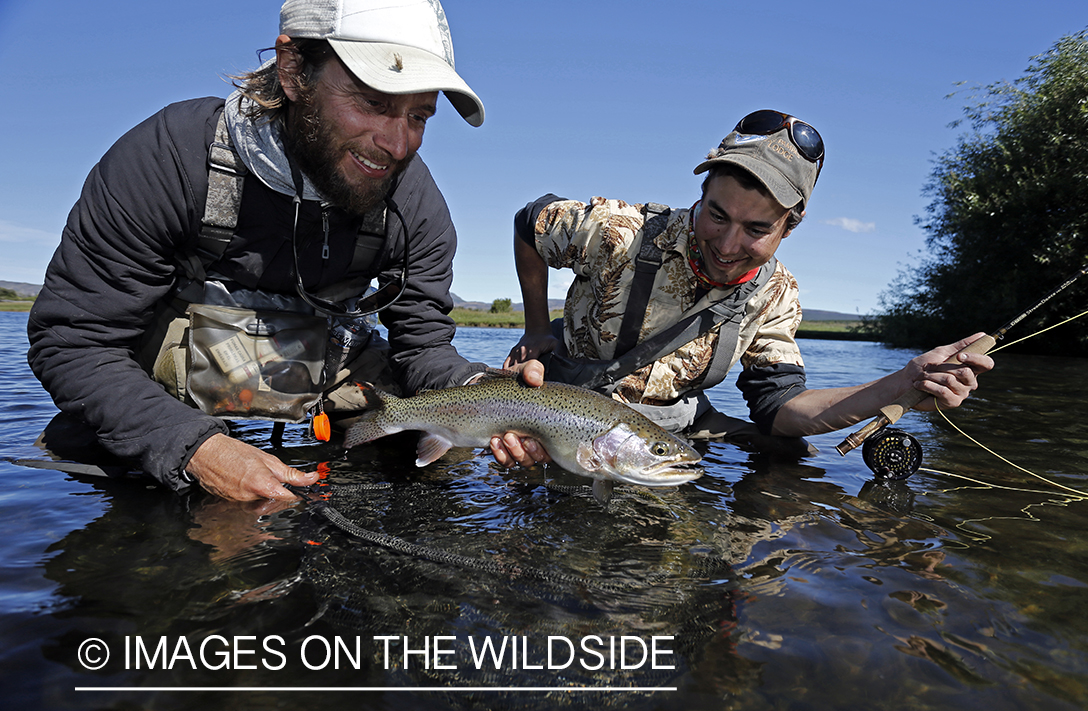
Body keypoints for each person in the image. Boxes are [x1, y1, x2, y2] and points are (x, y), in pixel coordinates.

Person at [27, 0, 543, 504]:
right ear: (294, 70)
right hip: (165, 410)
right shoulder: (168, 160)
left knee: (446, 458)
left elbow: (422, 349)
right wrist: (196, 448)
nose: (399, 144)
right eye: (374, 103)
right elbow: (74, 342)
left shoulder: (416, 207)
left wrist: (489, 391)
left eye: (419, 116)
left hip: (330, 403)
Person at [501, 110, 993, 461]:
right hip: (564, 400)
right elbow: (530, 223)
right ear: (701, 192)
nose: (728, 244)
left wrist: (900, 383)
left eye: (757, 229)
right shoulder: (618, 230)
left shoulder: (776, 295)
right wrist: (537, 327)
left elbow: (781, 409)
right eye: (716, 215)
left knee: (792, 449)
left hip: (669, 426)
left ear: (789, 226)